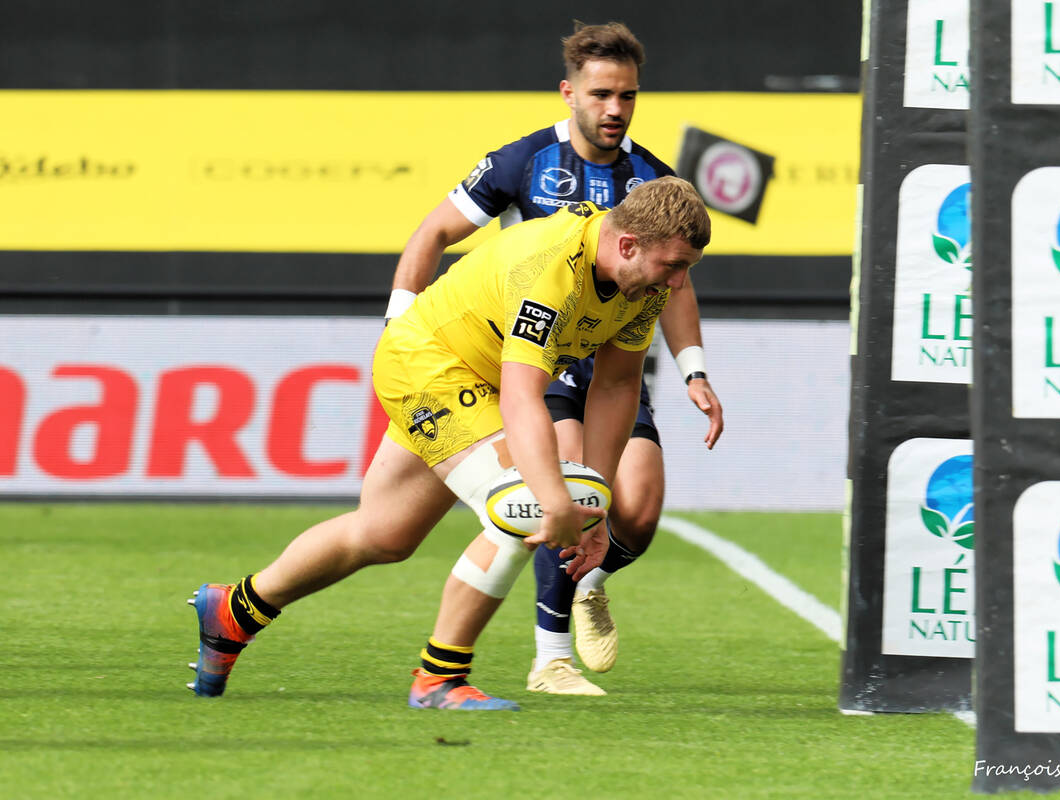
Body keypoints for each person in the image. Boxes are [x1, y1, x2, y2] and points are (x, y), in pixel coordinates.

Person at [187, 176, 712, 711]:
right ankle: (439, 677)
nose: (677, 283)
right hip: (426, 365)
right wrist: (556, 500)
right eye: (673, 266)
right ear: (628, 245)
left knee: (383, 534)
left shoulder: (643, 286)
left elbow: (617, 386)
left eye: (686, 268)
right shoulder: (552, 268)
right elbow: (522, 395)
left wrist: (591, 505)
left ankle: (235, 610)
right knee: (523, 505)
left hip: (472, 381)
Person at [387, 21, 724, 697]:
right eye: (602, 94)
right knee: (554, 491)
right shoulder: (523, 161)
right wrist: (399, 321)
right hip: (536, 357)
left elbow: (674, 285)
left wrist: (693, 366)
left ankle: (590, 578)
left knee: (636, 510)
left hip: (613, 351)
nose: (616, 108)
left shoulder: (654, 181)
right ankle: (548, 657)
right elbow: (435, 231)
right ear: (570, 92)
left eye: (628, 95)